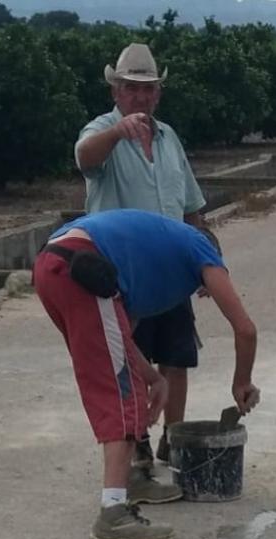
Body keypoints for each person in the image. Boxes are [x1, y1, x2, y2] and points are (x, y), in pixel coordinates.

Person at [33, 209, 259, 539]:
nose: (205, 291)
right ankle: (112, 513)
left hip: (55, 267)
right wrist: (242, 382)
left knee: (126, 381)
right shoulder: (201, 248)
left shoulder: (152, 260)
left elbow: (120, 340)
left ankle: (131, 479)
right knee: (119, 392)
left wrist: (153, 377)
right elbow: (245, 329)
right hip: (80, 268)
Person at [74, 42, 207, 472]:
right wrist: (117, 133)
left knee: (177, 357)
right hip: (123, 277)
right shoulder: (101, 131)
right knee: (130, 364)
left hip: (170, 274)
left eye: (148, 90)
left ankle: (175, 440)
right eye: (131, 88)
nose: (141, 97)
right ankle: (138, 447)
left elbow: (190, 204)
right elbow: (84, 157)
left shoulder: (169, 139)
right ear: (116, 91)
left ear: (158, 94)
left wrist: (202, 259)